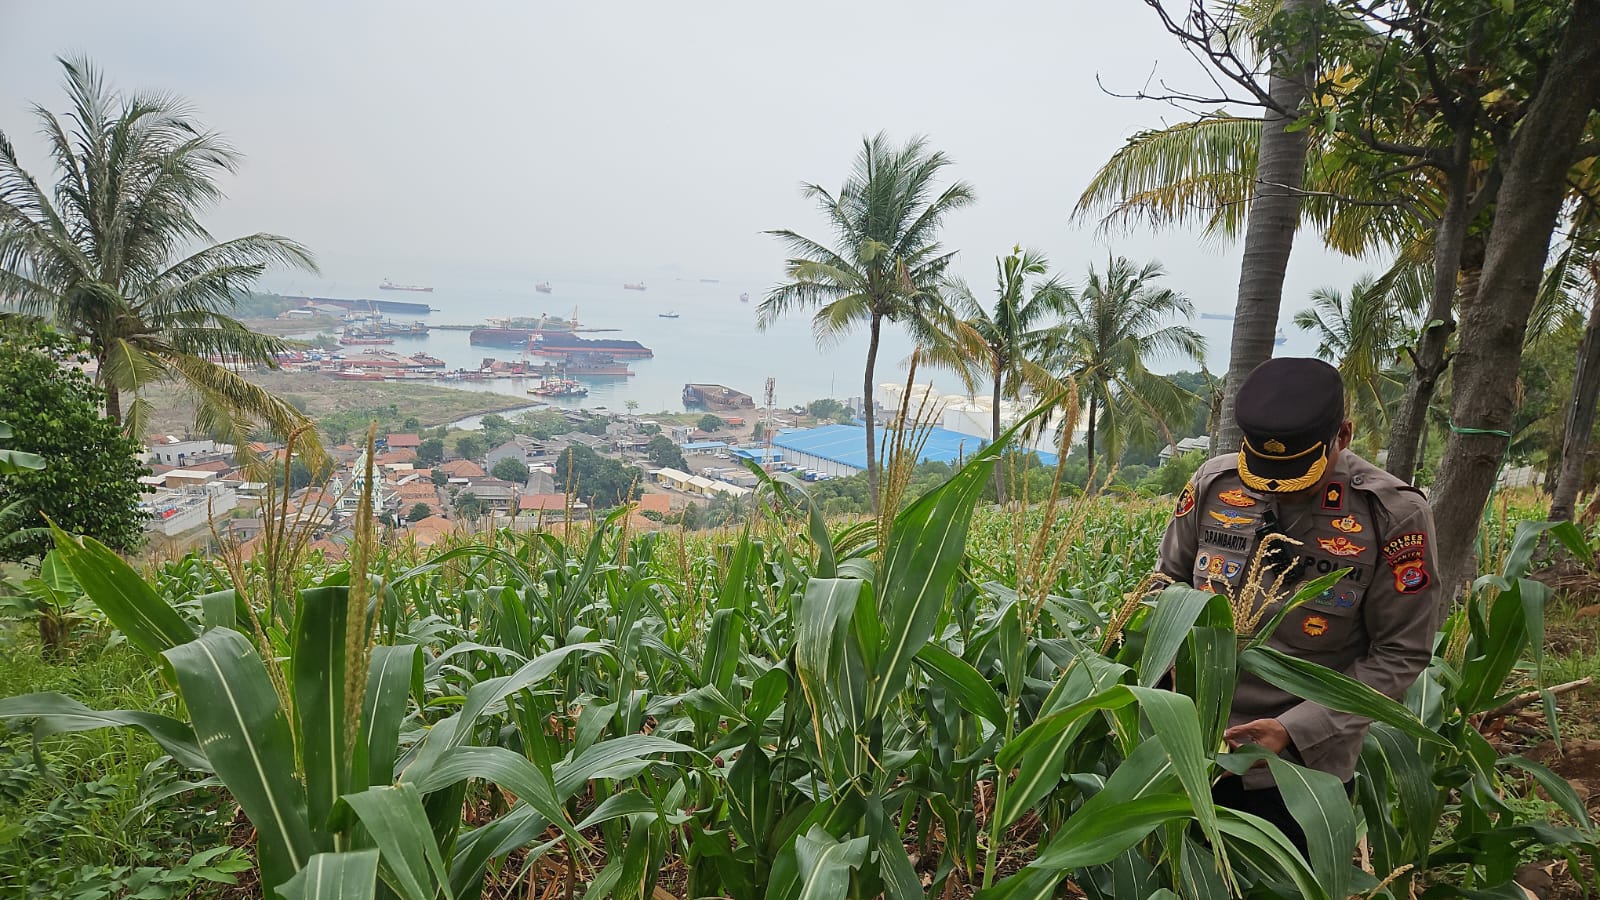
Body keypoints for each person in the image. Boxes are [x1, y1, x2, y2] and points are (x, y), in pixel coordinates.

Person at [1155, 357, 1441, 852]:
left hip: (1299, 770)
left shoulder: (1392, 515)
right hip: (1189, 746)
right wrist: (1168, 671)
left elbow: (1400, 652)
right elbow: (1165, 585)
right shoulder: (1213, 485)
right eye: (1263, 469)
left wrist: (1292, 729)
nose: (1274, 488)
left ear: (1343, 435)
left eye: (1294, 472)